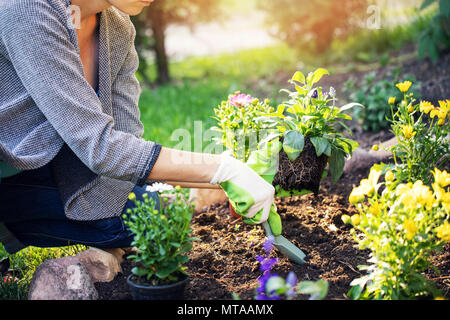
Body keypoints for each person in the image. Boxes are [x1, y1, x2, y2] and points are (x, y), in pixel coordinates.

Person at [0, 0, 276, 254]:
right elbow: (101, 148)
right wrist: (220, 168)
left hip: (64, 164)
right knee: (131, 222)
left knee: (155, 214)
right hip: (12, 169)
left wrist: (226, 178)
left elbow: (126, 144)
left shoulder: (117, 27)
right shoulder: (28, 9)